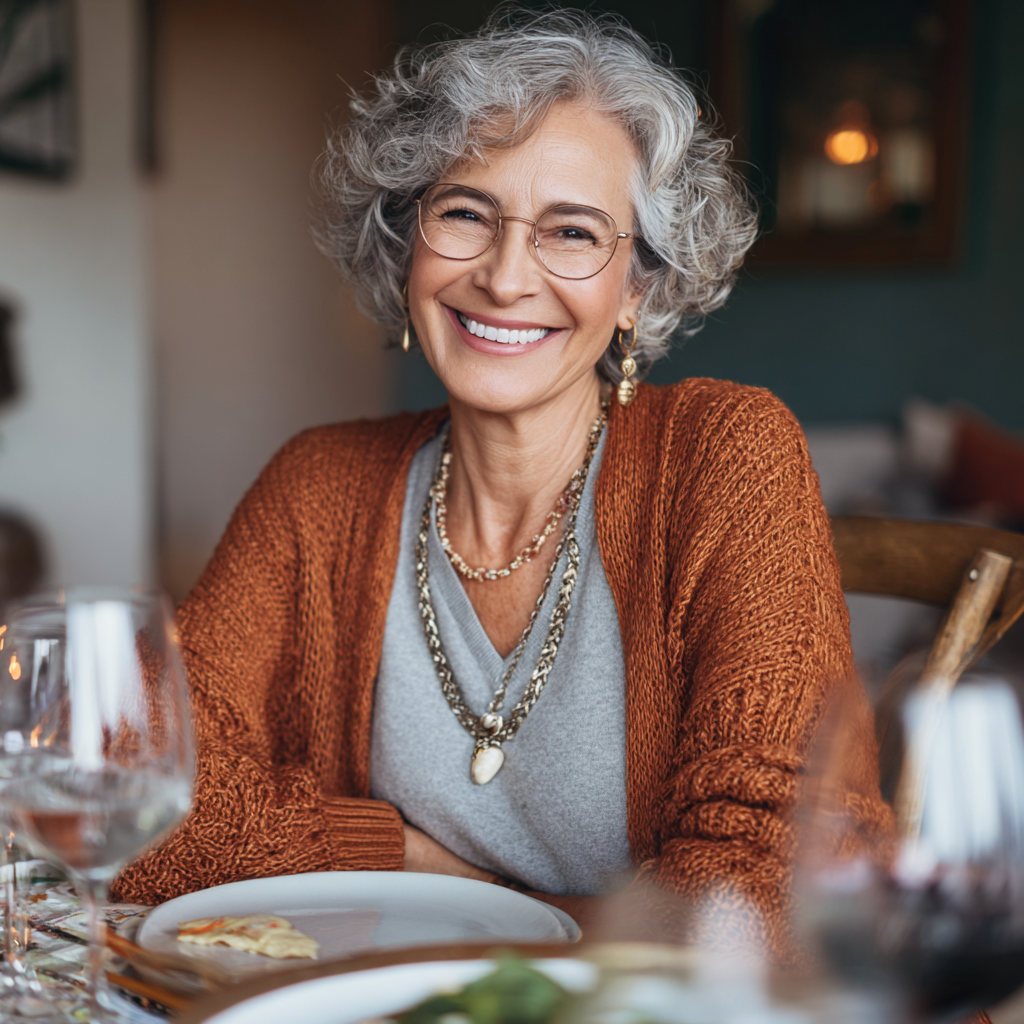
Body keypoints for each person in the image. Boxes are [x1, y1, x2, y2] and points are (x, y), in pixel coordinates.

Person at [113, 7, 889, 960]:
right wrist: (388, 853)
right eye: (467, 214)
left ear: (637, 289)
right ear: (409, 245)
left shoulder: (723, 455)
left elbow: (781, 864)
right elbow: (130, 778)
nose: (506, 276)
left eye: (572, 231)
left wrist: (514, 945)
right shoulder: (318, 485)